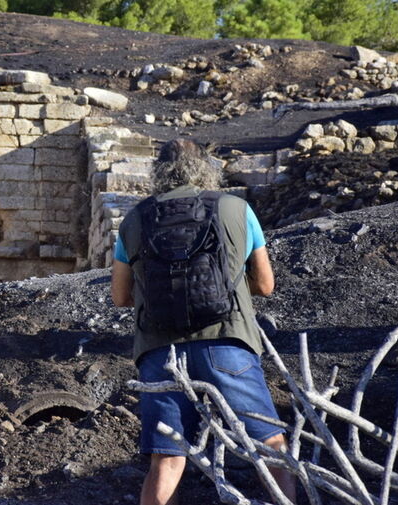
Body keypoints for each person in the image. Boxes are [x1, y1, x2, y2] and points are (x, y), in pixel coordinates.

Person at [110, 139, 296, 505]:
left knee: (167, 457)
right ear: (206, 168)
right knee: (271, 445)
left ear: (158, 172)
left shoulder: (134, 219)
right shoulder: (235, 208)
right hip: (227, 342)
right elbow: (265, 284)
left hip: (160, 351)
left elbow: (120, 297)